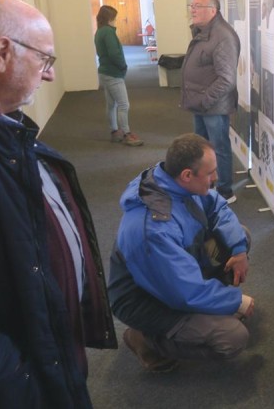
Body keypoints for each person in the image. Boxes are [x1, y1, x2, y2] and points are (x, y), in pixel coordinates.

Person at [0, 0, 117, 407]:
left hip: (45, 358)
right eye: (45, 59)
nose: (49, 75)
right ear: (2, 53)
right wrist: (13, 374)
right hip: (11, 385)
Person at [107, 133, 255, 373]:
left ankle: (203, 312)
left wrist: (238, 250)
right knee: (232, 337)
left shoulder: (173, 180)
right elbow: (184, 291)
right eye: (210, 173)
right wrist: (235, 301)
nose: (216, 178)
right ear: (187, 175)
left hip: (172, 274)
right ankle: (144, 339)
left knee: (241, 235)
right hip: (144, 300)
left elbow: (217, 206)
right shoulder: (154, 229)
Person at [181, 0, 240, 203]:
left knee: (219, 148)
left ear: (212, 11)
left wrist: (204, 100)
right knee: (203, 148)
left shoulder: (222, 36)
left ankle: (225, 191)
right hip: (201, 105)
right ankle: (208, 185)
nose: (192, 9)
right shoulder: (205, 31)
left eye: (197, 6)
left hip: (212, 106)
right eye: (192, 5)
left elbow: (227, 80)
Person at [95, 4, 143, 146]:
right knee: (123, 104)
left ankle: (115, 132)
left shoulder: (99, 31)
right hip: (113, 73)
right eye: (114, 18)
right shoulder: (108, 32)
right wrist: (123, 66)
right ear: (109, 18)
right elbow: (114, 53)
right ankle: (127, 134)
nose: (115, 20)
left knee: (111, 105)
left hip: (104, 71)